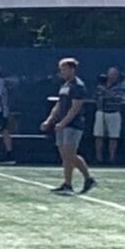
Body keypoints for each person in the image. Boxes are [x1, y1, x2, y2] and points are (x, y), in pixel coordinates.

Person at [40, 56, 94, 194]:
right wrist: (49, 120)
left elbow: (75, 108)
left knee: (70, 154)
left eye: (63, 69)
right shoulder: (64, 86)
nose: (61, 72)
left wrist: (63, 123)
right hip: (62, 125)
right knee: (66, 156)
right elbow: (58, 105)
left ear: (72, 69)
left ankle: (85, 179)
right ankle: (69, 183)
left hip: (73, 125)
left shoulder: (78, 86)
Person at [93, 66, 125, 164]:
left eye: (114, 75)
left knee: (113, 137)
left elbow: (120, 99)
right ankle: (99, 158)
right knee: (98, 136)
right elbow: (96, 97)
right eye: (110, 74)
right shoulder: (100, 85)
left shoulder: (121, 86)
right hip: (101, 112)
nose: (112, 77)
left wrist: (107, 92)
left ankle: (112, 159)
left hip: (114, 113)